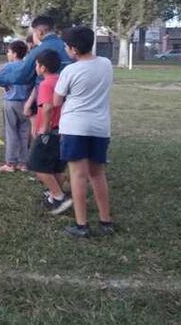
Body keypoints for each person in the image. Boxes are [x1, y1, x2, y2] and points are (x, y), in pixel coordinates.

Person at [54, 26, 114, 238]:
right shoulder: (106, 64)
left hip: (75, 127)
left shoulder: (69, 71)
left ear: (73, 49)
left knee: (78, 176)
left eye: (66, 47)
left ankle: (82, 226)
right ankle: (106, 222)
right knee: (97, 174)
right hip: (100, 127)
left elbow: (56, 100)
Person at [27, 49, 72, 215]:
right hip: (63, 129)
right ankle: (54, 195)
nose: (35, 67)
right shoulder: (61, 80)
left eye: (36, 64)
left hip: (50, 130)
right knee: (56, 167)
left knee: (37, 165)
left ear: (43, 67)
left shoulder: (46, 84)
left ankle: (60, 197)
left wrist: (43, 129)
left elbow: (47, 107)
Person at [0, 40, 31, 172]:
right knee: (25, 133)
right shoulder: (27, 66)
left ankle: (10, 163)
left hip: (11, 102)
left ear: (14, 53)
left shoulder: (9, 66)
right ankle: (23, 163)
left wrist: (6, 84)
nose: (8, 54)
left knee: (11, 132)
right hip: (26, 103)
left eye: (8, 51)